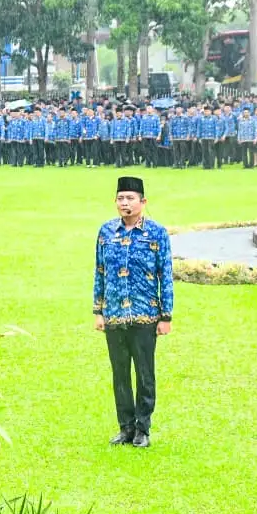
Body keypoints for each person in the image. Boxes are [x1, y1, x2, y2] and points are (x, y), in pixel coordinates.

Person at [93, 176, 173, 449]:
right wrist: (98, 311)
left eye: (130, 198)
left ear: (143, 202)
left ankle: (142, 428)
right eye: (120, 198)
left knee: (145, 374)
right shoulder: (106, 232)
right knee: (120, 375)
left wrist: (166, 316)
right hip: (114, 314)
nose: (124, 203)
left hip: (145, 315)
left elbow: (165, 275)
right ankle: (125, 427)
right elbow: (100, 272)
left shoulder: (156, 233)